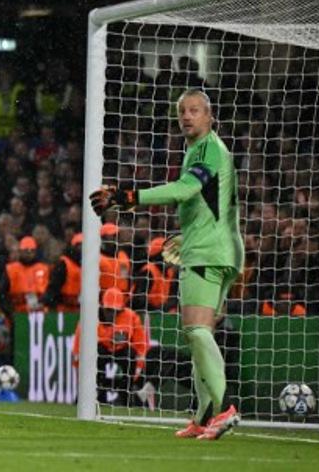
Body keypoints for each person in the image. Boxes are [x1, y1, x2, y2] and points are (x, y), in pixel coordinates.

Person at [91, 88, 243, 440]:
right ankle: (204, 416)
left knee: (195, 330)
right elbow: (203, 203)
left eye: (194, 110)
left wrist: (128, 197)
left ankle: (225, 407)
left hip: (208, 252)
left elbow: (183, 189)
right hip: (219, 248)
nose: (187, 117)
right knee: (199, 335)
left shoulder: (207, 148)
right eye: (182, 112)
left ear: (209, 115)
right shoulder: (201, 148)